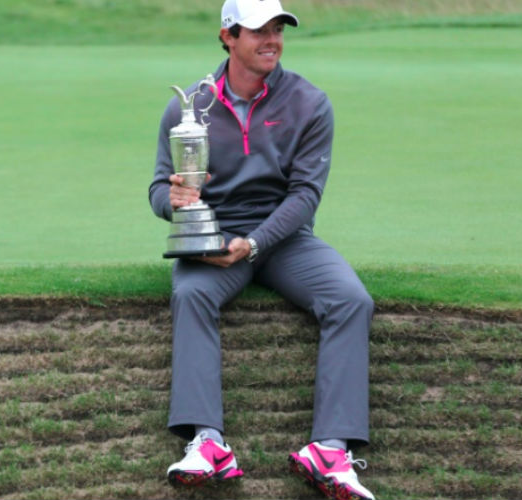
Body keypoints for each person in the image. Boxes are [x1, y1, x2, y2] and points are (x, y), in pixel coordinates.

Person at [148, 1, 376, 499]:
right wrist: (175, 201)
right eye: (258, 31)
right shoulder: (188, 107)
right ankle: (208, 444)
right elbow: (158, 190)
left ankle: (330, 451)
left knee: (350, 299)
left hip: (285, 239)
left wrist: (253, 244)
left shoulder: (309, 102)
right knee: (191, 295)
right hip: (214, 236)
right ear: (227, 36)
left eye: (278, 29)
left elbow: (305, 195)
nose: (272, 39)